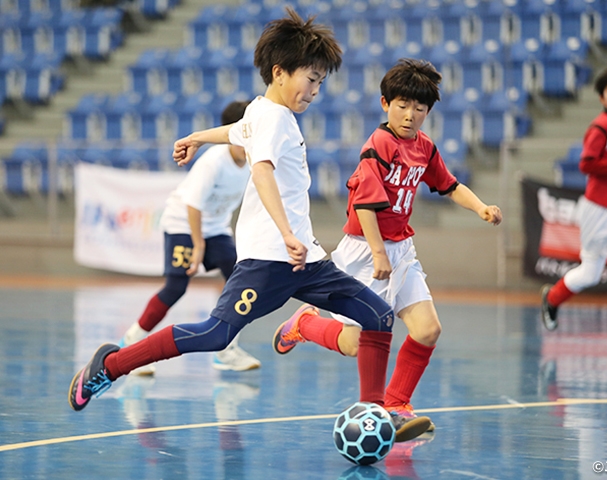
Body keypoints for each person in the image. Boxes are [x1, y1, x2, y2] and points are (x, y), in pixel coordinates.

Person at [68, 8, 432, 443]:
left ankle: (375, 413)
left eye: (320, 82)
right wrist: (286, 233)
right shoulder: (275, 120)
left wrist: (196, 137)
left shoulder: (262, 111)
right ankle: (109, 366)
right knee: (215, 335)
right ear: (279, 72)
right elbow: (261, 172)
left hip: (308, 261)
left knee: (378, 315)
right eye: (310, 79)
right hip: (271, 260)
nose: (315, 91)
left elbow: (237, 131)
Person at [272, 58, 502, 429]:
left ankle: (396, 406)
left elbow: (450, 185)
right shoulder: (378, 145)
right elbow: (364, 205)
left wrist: (481, 208)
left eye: (419, 108)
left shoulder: (424, 147)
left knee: (428, 329)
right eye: (402, 105)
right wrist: (379, 253)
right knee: (353, 344)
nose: (410, 115)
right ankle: (306, 324)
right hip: (365, 250)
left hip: (401, 250)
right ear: (385, 104)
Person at [119, 100, 261, 374]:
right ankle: (132, 342)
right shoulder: (213, 162)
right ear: (232, 133)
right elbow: (193, 205)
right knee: (176, 287)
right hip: (183, 223)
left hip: (217, 228)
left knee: (241, 278)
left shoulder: (255, 162)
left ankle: (226, 350)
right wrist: (198, 246)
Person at [540, 66, 607, 336]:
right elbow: (586, 164)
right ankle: (552, 298)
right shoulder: (601, 127)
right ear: (602, 99)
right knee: (591, 274)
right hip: (599, 209)